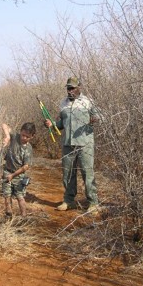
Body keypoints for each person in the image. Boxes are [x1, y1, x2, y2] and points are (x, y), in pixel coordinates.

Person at [45, 77, 101, 212]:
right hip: (68, 144)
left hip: (85, 144)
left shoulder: (88, 102)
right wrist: (51, 125)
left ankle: (93, 203)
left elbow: (100, 117)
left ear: (79, 88)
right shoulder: (63, 103)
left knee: (87, 173)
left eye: (72, 88)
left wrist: (95, 118)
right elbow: (60, 125)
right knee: (68, 174)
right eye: (68, 88)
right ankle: (69, 201)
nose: (70, 91)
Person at [1, 122, 36, 217]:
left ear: (32, 136)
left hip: (18, 175)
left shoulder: (28, 149)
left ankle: (23, 217)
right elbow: (4, 125)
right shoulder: (15, 137)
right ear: (20, 132)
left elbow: (26, 166)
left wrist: (12, 176)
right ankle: (8, 215)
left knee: (20, 197)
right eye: (23, 135)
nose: (24, 138)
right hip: (7, 171)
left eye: (27, 136)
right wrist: (7, 136)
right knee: (7, 195)